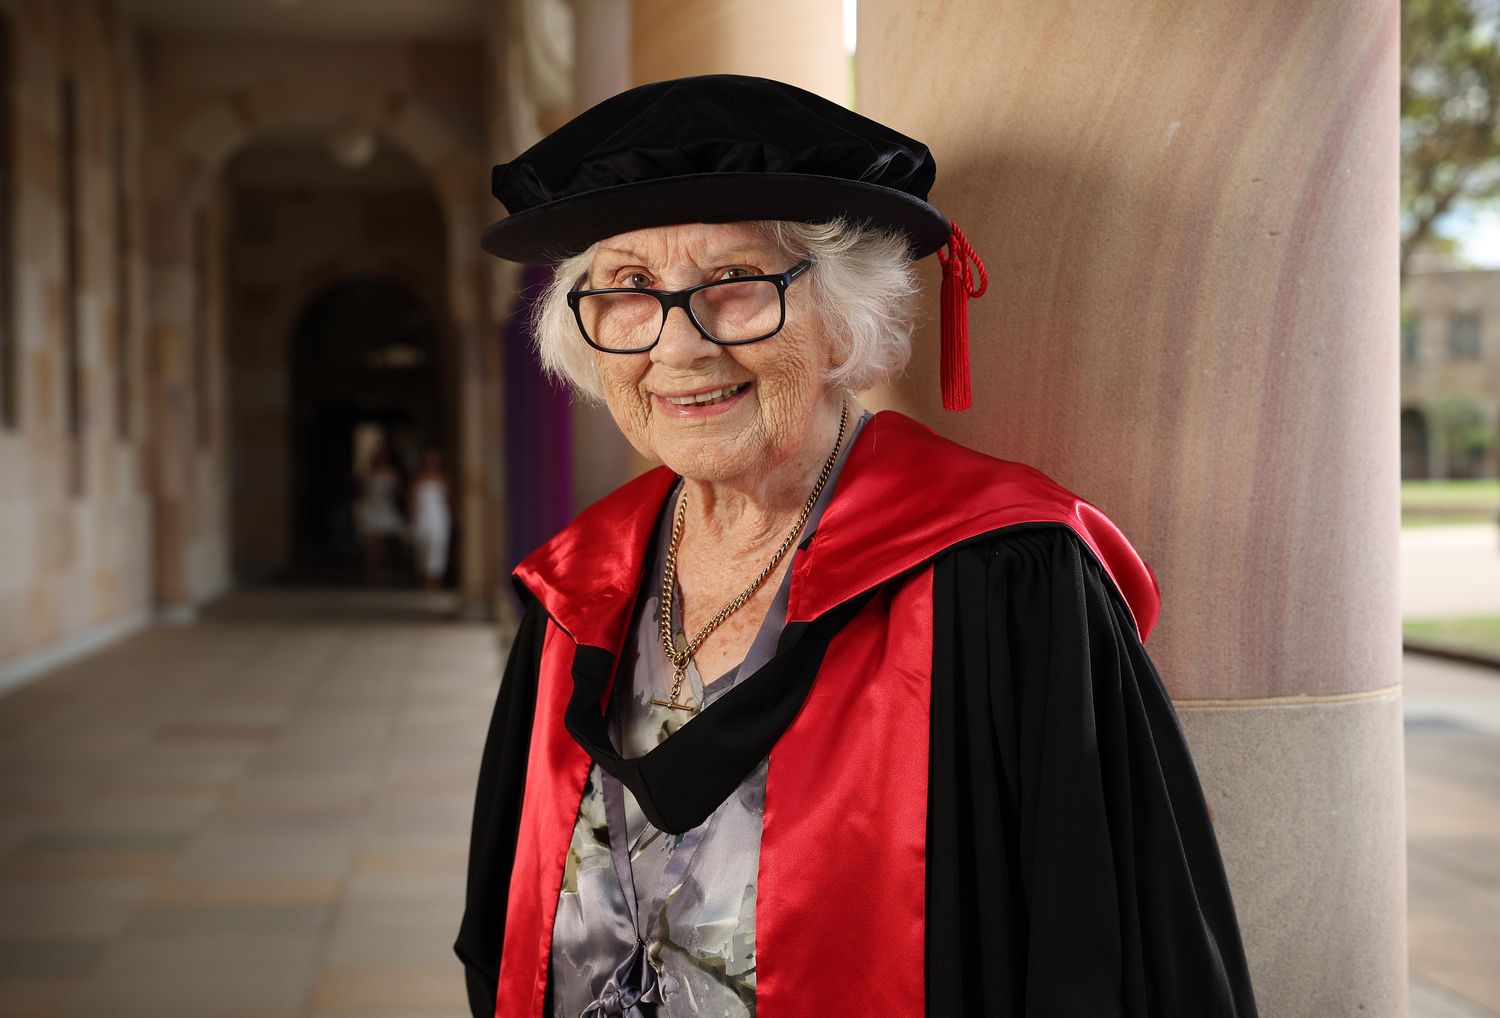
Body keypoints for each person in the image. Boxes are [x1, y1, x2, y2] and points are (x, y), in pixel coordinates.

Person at [457, 74, 1258, 1018]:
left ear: (845, 317)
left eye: (736, 284)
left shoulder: (1002, 576)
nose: (680, 349)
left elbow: (1107, 951)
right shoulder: (576, 587)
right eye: (630, 289)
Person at [356, 445, 405, 584]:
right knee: (373, 543)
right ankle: (372, 571)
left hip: (386, 509)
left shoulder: (391, 475)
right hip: (373, 509)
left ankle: (384, 571)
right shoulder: (369, 475)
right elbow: (362, 492)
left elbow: (398, 493)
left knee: (385, 543)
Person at [409, 447, 452, 591]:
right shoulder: (419, 478)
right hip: (423, 516)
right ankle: (425, 576)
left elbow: (448, 499)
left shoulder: (443, 478)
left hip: (439, 516)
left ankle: (434, 580)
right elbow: (412, 498)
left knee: (438, 545)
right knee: (423, 544)